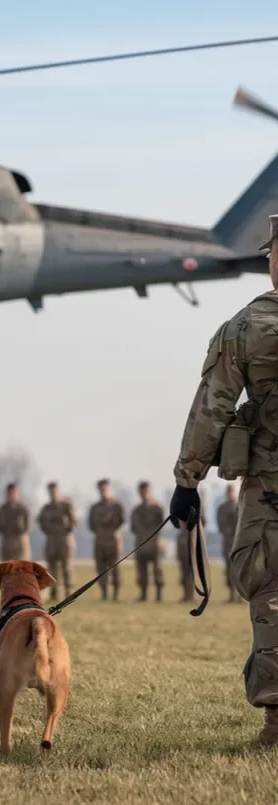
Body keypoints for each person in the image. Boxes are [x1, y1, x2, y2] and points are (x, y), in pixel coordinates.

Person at [169, 212, 278, 746]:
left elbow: (213, 408)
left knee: (271, 590)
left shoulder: (248, 327)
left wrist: (187, 479)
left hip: (272, 492)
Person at [37, 481, 77, 601]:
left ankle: (69, 593)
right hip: (51, 540)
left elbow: (74, 522)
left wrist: (64, 528)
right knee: (52, 568)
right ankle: (54, 594)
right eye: (50, 491)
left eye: (54, 491)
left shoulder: (66, 506)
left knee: (66, 568)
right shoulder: (46, 508)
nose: (52, 493)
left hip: (64, 540)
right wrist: (49, 531)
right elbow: (41, 522)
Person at [88, 479, 125, 601]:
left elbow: (122, 521)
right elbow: (91, 524)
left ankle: (116, 594)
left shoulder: (117, 505)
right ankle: (104, 593)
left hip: (114, 541)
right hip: (100, 541)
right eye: (101, 489)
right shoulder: (95, 507)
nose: (103, 491)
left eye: (105, 489)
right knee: (101, 568)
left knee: (115, 568)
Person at [130, 481, 165, 602]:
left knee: (157, 571)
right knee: (142, 572)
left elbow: (162, 524)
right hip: (141, 544)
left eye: (146, 491)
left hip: (154, 544)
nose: (144, 493)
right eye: (142, 491)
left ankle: (159, 596)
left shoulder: (157, 508)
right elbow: (133, 528)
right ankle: (143, 595)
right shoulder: (136, 510)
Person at [176, 497, 206, 604]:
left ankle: (191, 595)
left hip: (193, 541)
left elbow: (202, 522)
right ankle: (186, 595)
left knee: (192, 571)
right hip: (182, 542)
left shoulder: (198, 508)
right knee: (184, 571)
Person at [0, 483, 31, 561]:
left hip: (20, 542)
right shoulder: (2, 509)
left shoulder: (23, 509)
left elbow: (28, 525)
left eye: (13, 492)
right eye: (9, 493)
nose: (11, 495)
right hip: (6, 542)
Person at [217, 485, 240, 603]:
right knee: (228, 569)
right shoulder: (222, 508)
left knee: (240, 569)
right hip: (228, 541)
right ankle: (231, 595)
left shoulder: (240, 506)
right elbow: (220, 524)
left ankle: (240, 596)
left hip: (239, 541)